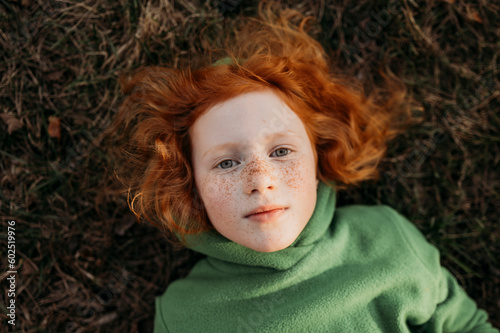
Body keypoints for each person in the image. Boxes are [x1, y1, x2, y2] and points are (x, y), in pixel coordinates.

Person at [110, 1, 498, 332]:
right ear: (190, 184)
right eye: (227, 162)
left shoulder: (386, 240)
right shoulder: (185, 316)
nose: (261, 181)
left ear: (318, 158)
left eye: (281, 152)